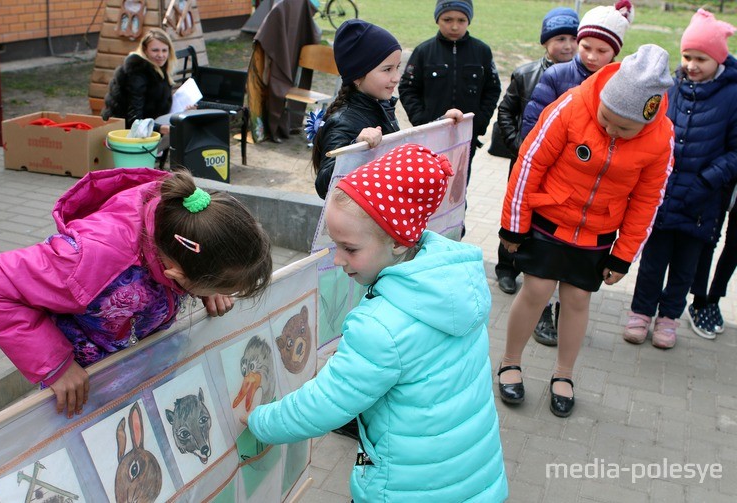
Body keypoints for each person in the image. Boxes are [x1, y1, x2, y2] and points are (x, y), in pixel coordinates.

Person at [248, 144, 508, 502]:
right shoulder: (453, 281)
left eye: (350, 248)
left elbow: (323, 406)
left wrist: (258, 421)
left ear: (399, 242)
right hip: (470, 476)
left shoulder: (380, 328)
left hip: (401, 487)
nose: (338, 260)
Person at [0, 168, 273, 417]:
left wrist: (207, 290)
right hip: (81, 387)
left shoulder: (181, 230)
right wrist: (55, 366)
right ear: (178, 274)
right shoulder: (88, 260)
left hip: (134, 369)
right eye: (221, 286)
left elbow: (197, 265)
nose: (223, 294)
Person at [497, 45, 675, 418]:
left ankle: (564, 374)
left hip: (598, 235)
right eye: (606, 118)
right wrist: (514, 225)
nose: (611, 129)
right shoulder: (572, 105)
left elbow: (648, 200)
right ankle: (510, 362)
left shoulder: (661, 139)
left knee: (577, 299)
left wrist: (623, 255)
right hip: (549, 221)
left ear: (648, 118)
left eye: (624, 128)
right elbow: (529, 165)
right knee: (537, 289)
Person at [624, 9, 737, 348]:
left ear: (718, 59)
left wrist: (706, 181)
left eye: (701, 58)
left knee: (684, 267)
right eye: (687, 56)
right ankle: (641, 313)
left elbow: (734, 152)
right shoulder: (671, 89)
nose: (691, 64)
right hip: (664, 194)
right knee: (652, 262)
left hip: (702, 201)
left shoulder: (732, 96)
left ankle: (669, 318)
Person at [494, 7, 579, 345]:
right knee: (516, 213)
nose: (569, 46)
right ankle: (505, 267)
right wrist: (519, 145)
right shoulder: (525, 74)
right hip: (527, 160)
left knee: (544, 226)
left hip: (563, 172)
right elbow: (507, 110)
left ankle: (544, 295)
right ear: (546, 42)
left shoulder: (585, 79)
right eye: (560, 39)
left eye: (574, 39)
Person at [399, 0, 501, 184]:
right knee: (426, 187)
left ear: (469, 20)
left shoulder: (482, 52)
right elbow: (407, 88)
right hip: (430, 137)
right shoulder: (423, 51)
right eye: (447, 19)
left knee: (458, 189)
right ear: (437, 19)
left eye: (461, 20)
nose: (454, 26)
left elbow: (492, 90)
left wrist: (478, 122)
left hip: (465, 137)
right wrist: (422, 122)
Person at [311, 19, 403, 199]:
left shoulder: (381, 106)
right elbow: (324, 185)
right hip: (359, 224)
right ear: (357, 76)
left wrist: (443, 124)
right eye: (387, 70)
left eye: (397, 67)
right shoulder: (343, 122)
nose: (396, 77)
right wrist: (357, 148)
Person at [520, 1, 634, 140]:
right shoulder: (555, 75)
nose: (592, 57)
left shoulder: (622, 83)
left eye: (602, 51)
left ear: (615, 52)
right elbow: (533, 124)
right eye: (586, 47)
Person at [102, 28, 177, 136]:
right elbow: (133, 119)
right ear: (145, 50)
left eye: (164, 50)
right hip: (124, 133)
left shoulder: (158, 68)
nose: (161, 55)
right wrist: (161, 128)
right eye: (155, 50)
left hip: (146, 127)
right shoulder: (137, 73)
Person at [689, 204, 737, 338]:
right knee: (709, 238)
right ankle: (698, 303)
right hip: (721, 185)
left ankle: (714, 301)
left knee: (735, 246)